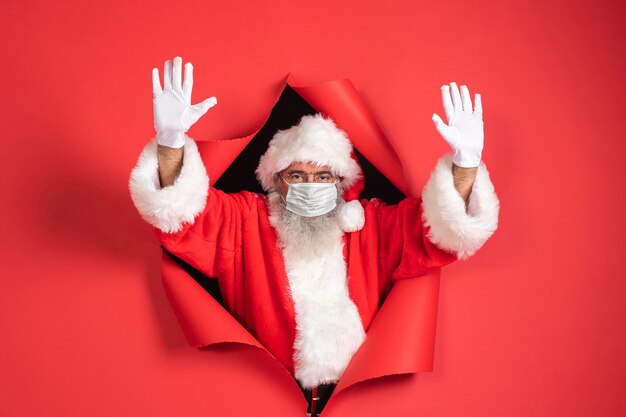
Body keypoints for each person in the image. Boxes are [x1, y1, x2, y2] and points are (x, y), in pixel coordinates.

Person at [129, 56, 500, 416]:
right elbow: (182, 216)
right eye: (298, 175)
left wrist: (465, 165)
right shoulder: (246, 220)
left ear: (342, 184)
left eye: (324, 177)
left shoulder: (370, 225)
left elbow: (437, 230)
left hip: (362, 400)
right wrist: (171, 144)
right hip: (262, 400)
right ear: (277, 180)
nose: (312, 185)